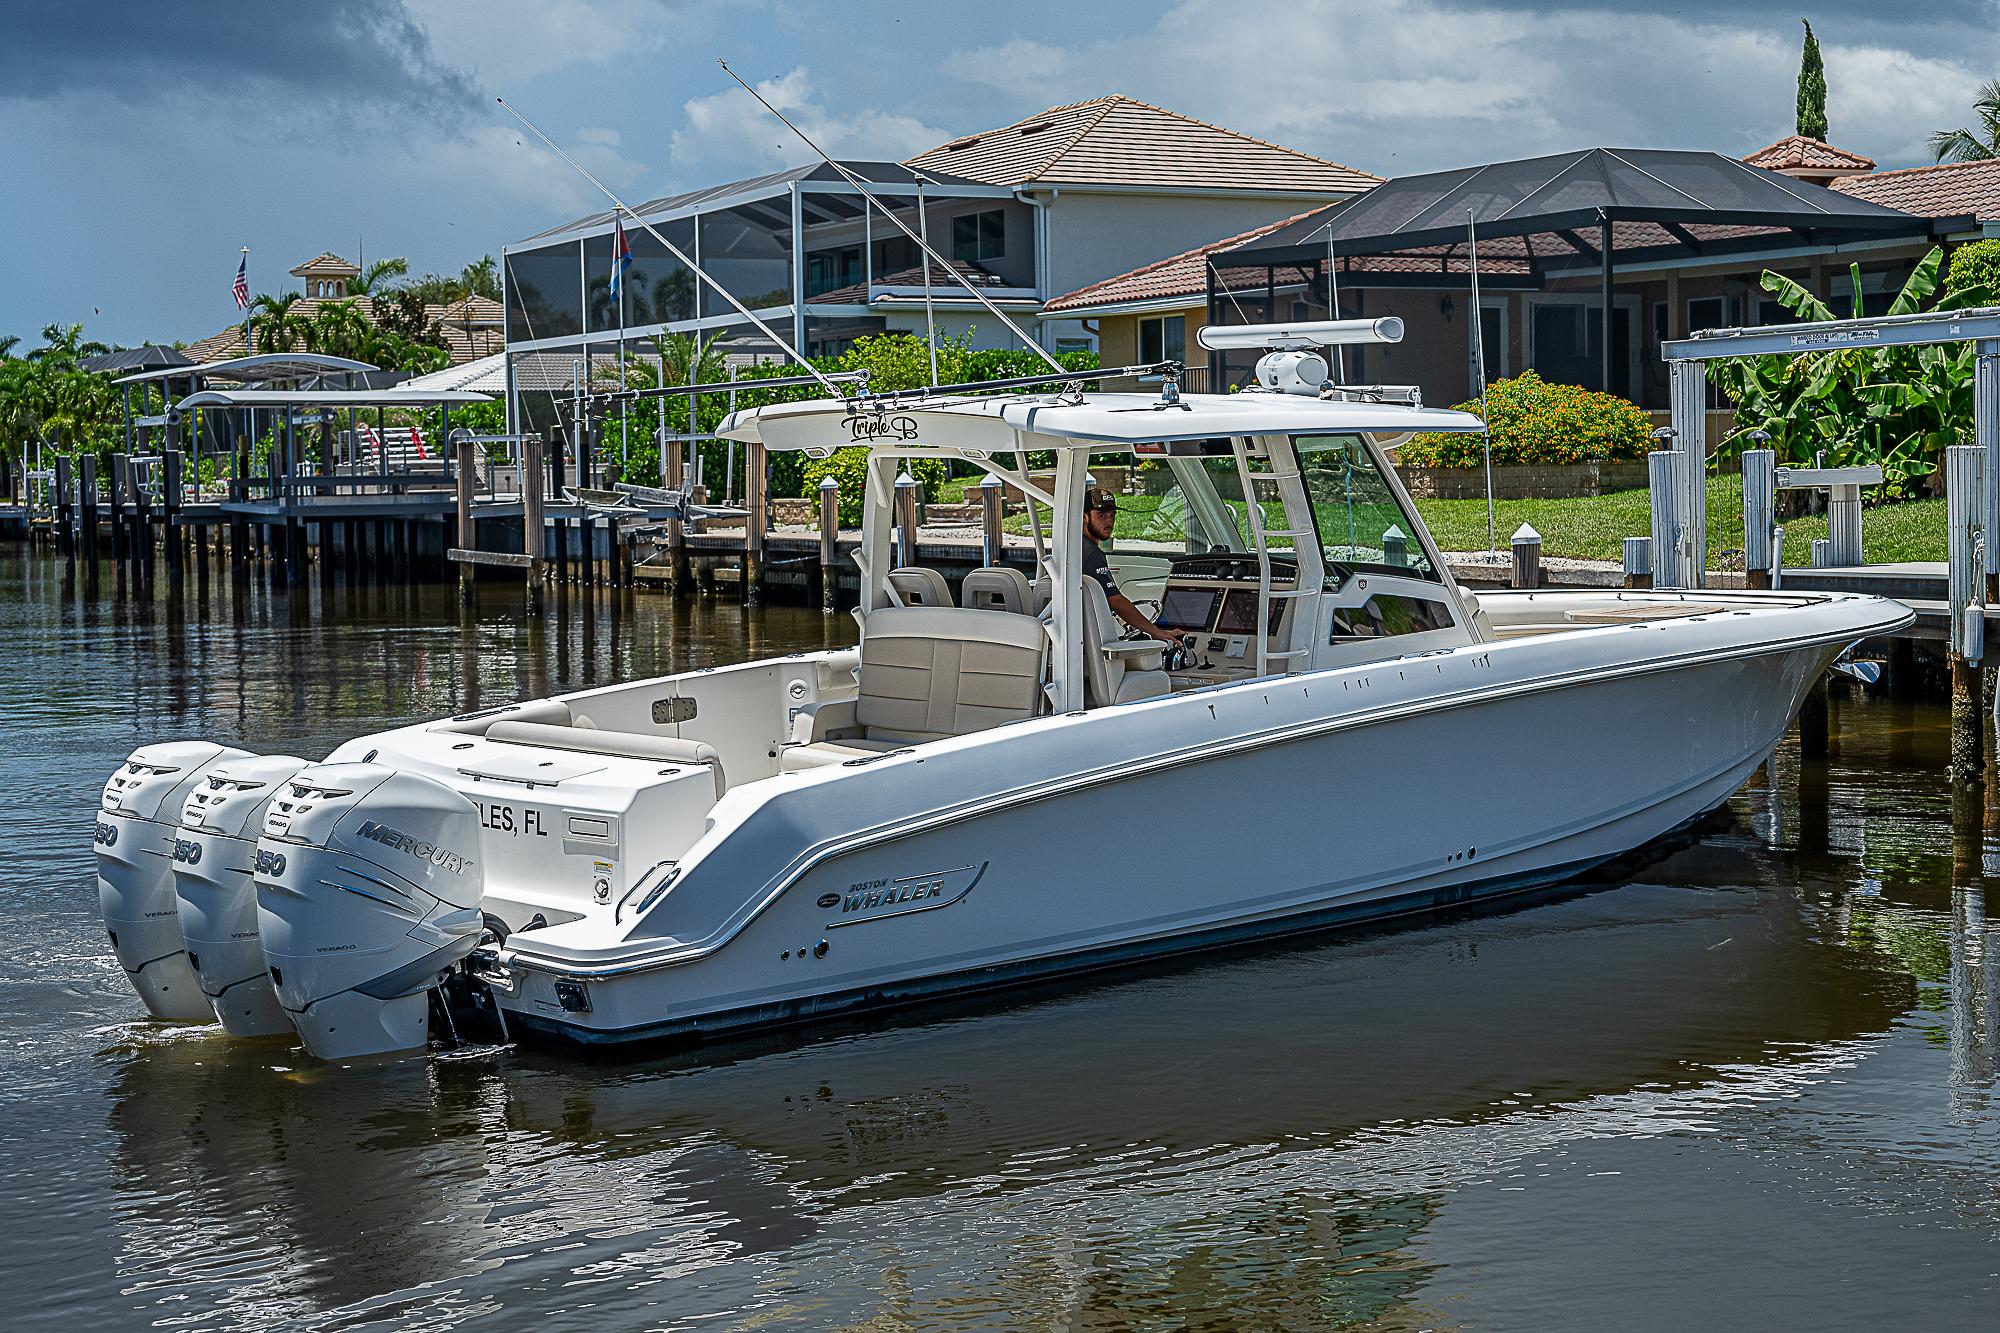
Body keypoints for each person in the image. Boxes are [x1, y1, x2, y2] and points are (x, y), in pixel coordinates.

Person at [1080, 488, 1182, 644]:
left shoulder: (1076, 548)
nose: (1109, 522)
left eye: (1112, 515)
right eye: (1102, 516)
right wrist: (1156, 632)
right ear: (1084, 517)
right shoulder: (1092, 554)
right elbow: (1115, 601)